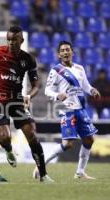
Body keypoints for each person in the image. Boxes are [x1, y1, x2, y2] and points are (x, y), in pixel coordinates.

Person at [0, 25, 53, 183]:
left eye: (14, 40)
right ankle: (8, 150)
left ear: (22, 40)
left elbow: (36, 85)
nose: (11, 42)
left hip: (17, 101)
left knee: (32, 135)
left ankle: (43, 175)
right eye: (9, 39)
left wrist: (28, 96)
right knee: (5, 137)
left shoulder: (28, 59)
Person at [34, 41, 101, 180]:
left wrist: (92, 90)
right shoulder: (56, 71)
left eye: (67, 50)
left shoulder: (80, 68)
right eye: (62, 50)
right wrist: (57, 95)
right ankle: (40, 165)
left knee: (89, 140)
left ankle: (80, 172)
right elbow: (47, 90)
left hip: (81, 109)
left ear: (72, 52)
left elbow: (86, 86)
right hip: (67, 110)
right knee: (68, 144)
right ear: (59, 55)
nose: (65, 52)